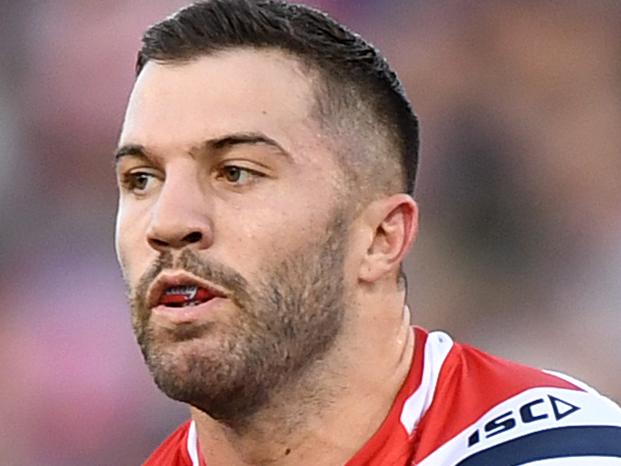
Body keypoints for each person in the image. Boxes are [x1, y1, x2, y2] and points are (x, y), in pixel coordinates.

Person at [113, 1, 621, 464]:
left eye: (236, 172)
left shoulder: (558, 452)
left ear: (381, 238)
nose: (168, 223)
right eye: (141, 179)